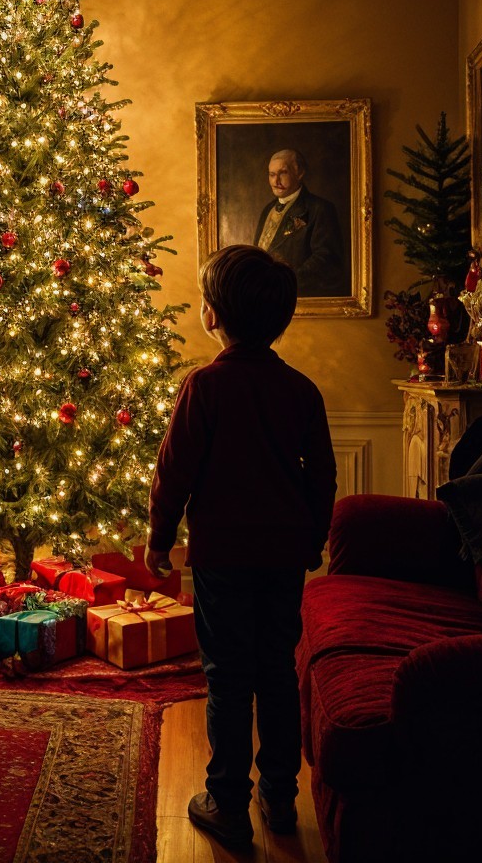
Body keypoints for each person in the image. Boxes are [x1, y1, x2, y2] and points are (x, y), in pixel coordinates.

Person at [145, 244, 336, 848]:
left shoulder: (204, 387)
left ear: (212, 315)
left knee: (226, 675)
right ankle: (280, 796)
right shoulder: (301, 391)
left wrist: (159, 541)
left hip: (222, 556)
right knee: (276, 668)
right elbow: (322, 475)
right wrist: (312, 537)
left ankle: (226, 800)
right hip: (283, 555)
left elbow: (173, 471)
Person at [251, 148, 346, 296]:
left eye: (283, 173)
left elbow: (326, 258)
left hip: (298, 293)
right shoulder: (267, 209)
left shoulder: (320, 208)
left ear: (299, 173)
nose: (276, 181)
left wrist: (288, 281)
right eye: (272, 175)